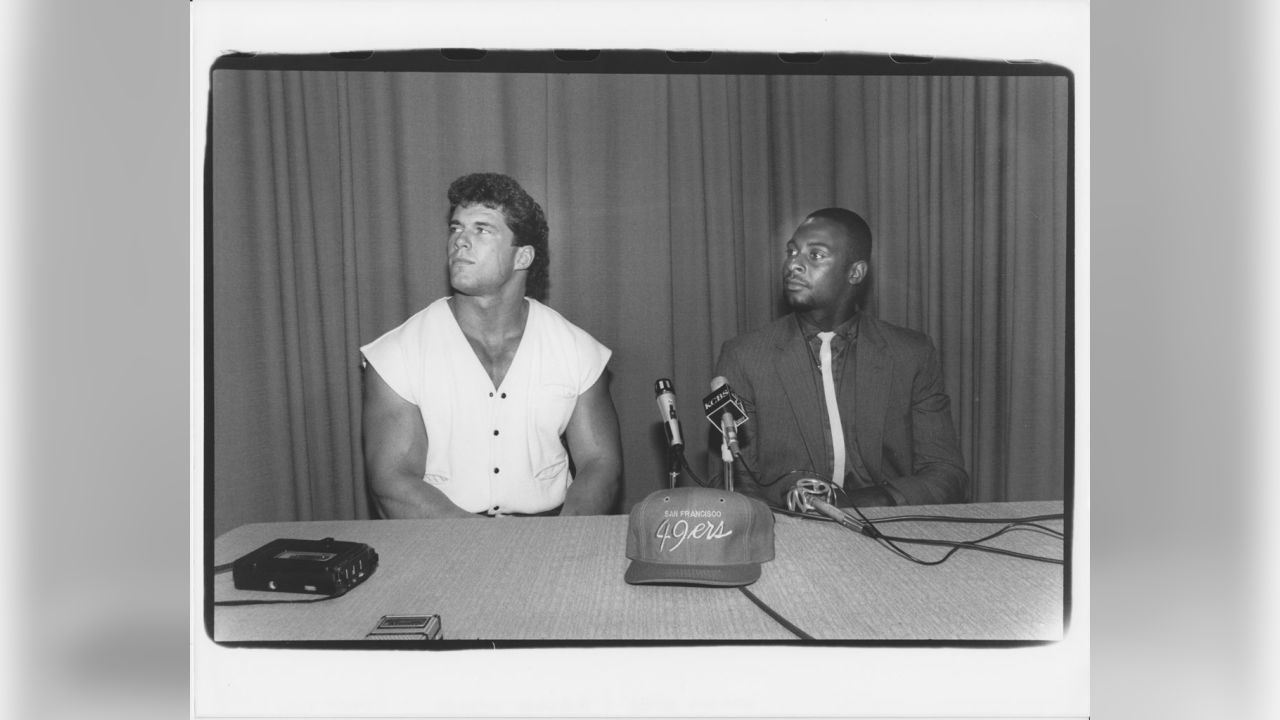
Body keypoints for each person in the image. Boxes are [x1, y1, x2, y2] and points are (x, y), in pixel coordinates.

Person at [360, 173, 622, 518]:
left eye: (482, 229)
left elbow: (600, 465)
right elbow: (393, 479)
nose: (460, 242)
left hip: (552, 533)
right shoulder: (397, 354)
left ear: (523, 257)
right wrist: (488, 549)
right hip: (438, 538)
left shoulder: (576, 350)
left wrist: (559, 543)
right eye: (456, 228)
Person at [714, 208, 968, 508]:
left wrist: (856, 503)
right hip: (790, 535)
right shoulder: (745, 357)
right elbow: (734, 485)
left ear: (855, 272)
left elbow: (946, 474)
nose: (793, 264)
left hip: (888, 529)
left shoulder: (911, 353)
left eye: (815, 255)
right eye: (791, 252)